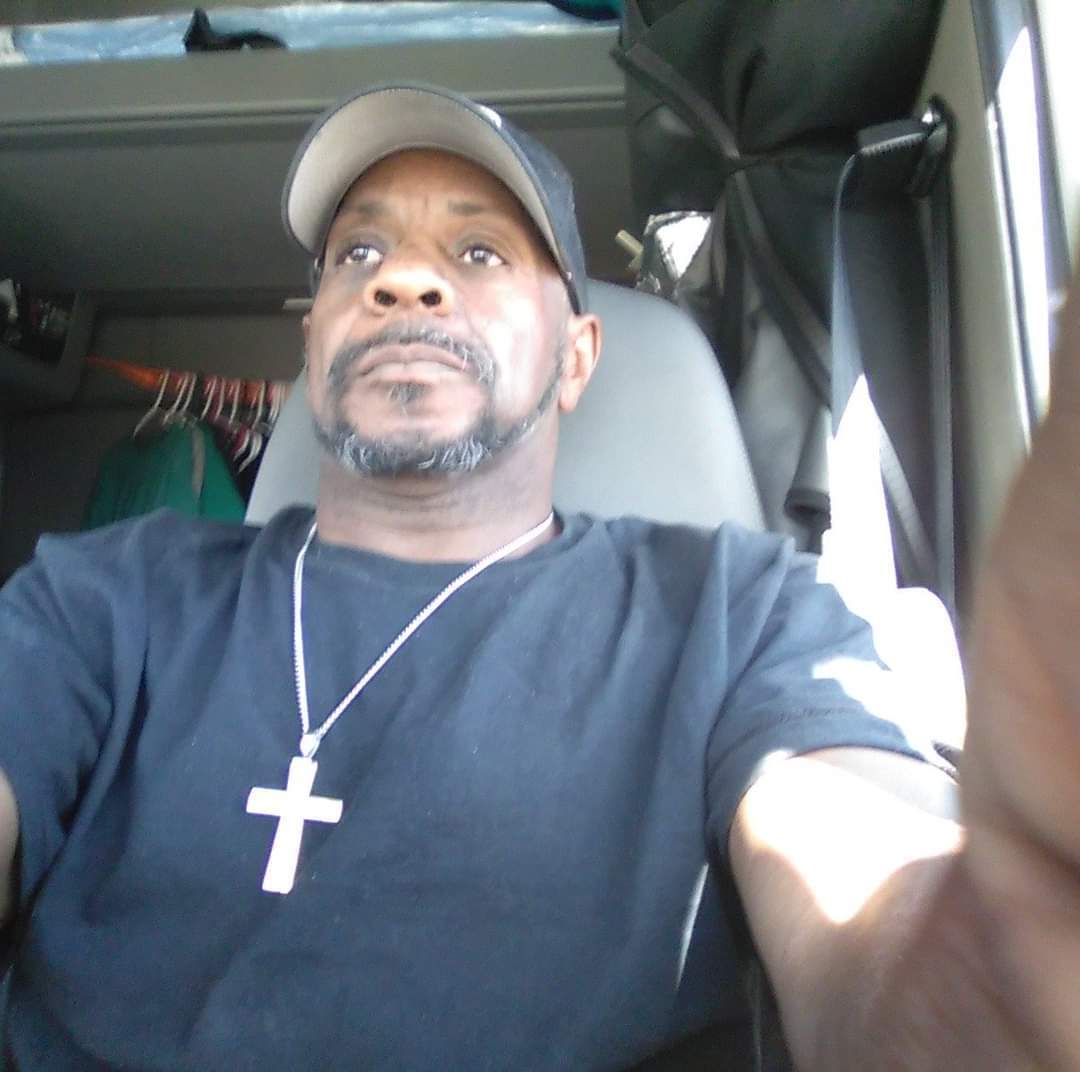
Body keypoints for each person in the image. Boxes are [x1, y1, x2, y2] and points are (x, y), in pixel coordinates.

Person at [0, 81, 1075, 1070]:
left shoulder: (735, 618)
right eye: (358, 253)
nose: (402, 278)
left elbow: (864, 885)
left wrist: (984, 973)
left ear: (576, 357)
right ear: (314, 337)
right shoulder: (110, 596)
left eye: (478, 254)